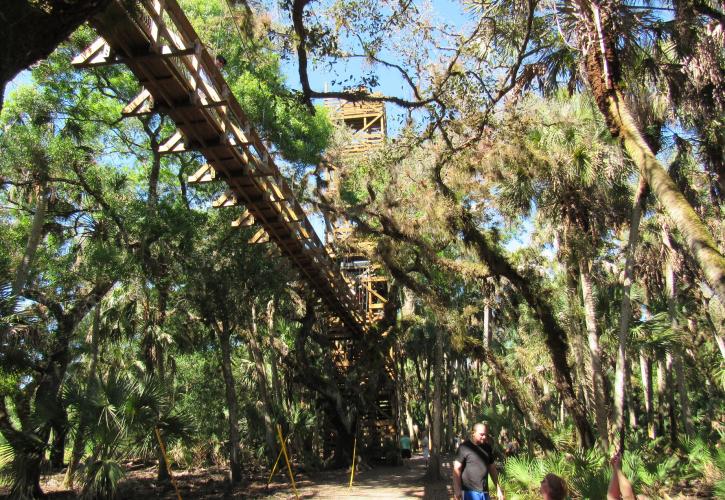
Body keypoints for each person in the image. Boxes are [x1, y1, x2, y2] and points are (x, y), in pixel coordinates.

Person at [452, 422, 504, 500]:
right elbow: (457, 469)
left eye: (486, 435)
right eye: (481, 434)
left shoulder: (487, 448)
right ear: (473, 433)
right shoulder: (464, 447)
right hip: (469, 492)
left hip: (484, 492)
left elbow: (492, 469)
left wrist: (498, 488)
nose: (484, 437)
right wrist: (457, 489)